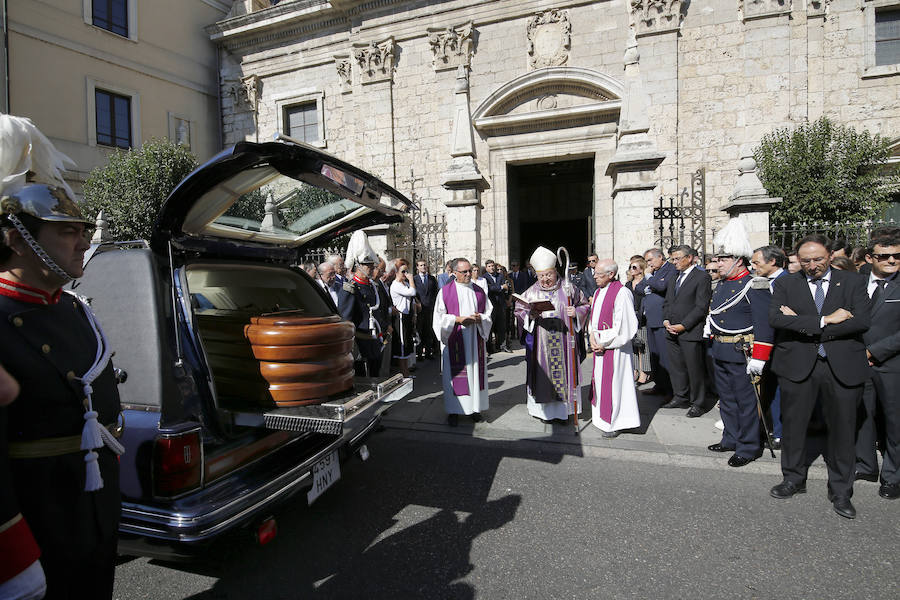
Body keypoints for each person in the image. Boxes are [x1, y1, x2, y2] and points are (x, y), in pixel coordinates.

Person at [0, 114, 124, 598]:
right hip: (38, 518)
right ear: (16, 240)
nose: (84, 239)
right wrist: (11, 554)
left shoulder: (73, 308)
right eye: (66, 231)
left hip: (92, 507)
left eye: (81, 228)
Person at [768, 234, 871, 520]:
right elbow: (776, 319)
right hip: (798, 365)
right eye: (805, 261)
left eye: (818, 259)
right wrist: (825, 320)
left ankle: (840, 490)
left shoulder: (852, 282)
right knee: (793, 426)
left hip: (840, 365)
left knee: (842, 429)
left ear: (830, 256)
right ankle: (793, 479)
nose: (812, 265)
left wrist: (799, 322)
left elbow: (862, 321)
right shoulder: (787, 283)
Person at [705, 220, 775, 467]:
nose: (718, 263)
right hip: (721, 349)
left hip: (743, 351)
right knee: (727, 399)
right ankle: (731, 438)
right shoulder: (723, 284)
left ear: (738, 260)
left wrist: (760, 358)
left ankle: (748, 446)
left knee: (746, 402)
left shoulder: (754, 284)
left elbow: (764, 325)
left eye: (723, 259)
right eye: (718, 259)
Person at [514, 246, 590, 425]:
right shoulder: (531, 292)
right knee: (543, 378)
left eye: (549, 274)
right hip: (541, 343)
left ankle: (564, 413)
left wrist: (576, 312)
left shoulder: (569, 289)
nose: (545, 279)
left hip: (563, 340)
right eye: (541, 276)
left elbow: (585, 305)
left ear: (556, 272)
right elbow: (519, 311)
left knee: (563, 375)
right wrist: (530, 315)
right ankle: (545, 414)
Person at [855, 235, 900, 500]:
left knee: (895, 423)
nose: (892, 260)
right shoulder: (856, 283)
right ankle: (865, 465)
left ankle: (893, 476)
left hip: (892, 364)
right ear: (870, 258)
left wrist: (874, 351)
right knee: (862, 416)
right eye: (884, 256)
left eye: (896, 255)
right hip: (858, 363)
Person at [433, 258, 492, 426]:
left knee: (474, 375)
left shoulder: (479, 291)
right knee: (456, 376)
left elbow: (488, 313)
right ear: (455, 273)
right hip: (455, 340)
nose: (468, 274)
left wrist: (480, 318)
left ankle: (475, 409)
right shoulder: (445, 292)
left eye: (470, 271)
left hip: (475, 340)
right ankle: (454, 411)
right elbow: (438, 319)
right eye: (464, 272)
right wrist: (458, 320)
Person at [588, 260, 640, 437]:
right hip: (599, 345)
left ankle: (617, 421)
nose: (594, 277)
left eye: (599, 274)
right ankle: (603, 418)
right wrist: (592, 337)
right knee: (602, 383)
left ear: (611, 274)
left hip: (616, 349)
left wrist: (604, 343)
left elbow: (626, 326)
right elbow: (593, 320)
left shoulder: (622, 293)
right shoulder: (597, 292)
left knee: (616, 385)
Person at [662, 245, 712, 416]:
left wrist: (684, 325)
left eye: (677, 258)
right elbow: (668, 301)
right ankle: (680, 396)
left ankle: (698, 401)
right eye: (672, 259)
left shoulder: (701, 277)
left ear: (689, 258)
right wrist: (666, 319)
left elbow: (701, 306)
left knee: (694, 368)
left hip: (689, 331)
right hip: (671, 329)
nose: (674, 262)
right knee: (677, 367)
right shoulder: (674, 277)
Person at [750, 245, 789, 448]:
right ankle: (770, 429)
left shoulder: (789, 281)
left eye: (757, 262)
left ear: (772, 261)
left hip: (786, 346)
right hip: (769, 345)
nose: (753, 266)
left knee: (781, 392)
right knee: (769, 389)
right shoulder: (761, 283)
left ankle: (781, 433)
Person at [337, 231, 385, 377]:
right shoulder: (350, 288)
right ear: (359, 266)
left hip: (374, 338)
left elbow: (379, 310)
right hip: (360, 340)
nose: (371, 268)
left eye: (371, 265)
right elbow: (346, 318)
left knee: (375, 372)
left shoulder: (373, 286)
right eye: (368, 265)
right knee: (361, 378)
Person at [633, 248, 676, 399]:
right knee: (654, 355)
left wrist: (650, 279)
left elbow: (662, 287)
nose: (648, 264)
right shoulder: (654, 273)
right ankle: (659, 384)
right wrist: (650, 285)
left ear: (660, 257)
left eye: (650, 260)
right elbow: (638, 288)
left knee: (665, 356)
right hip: (649, 319)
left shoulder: (669, 269)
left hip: (661, 319)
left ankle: (670, 390)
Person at [625, 256, 650, 385]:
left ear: (641, 269)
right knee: (633, 344)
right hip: (630, 316)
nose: (631, 269)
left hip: (642, 317)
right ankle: (635, 369)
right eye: (630, 267)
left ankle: (644, 371)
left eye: (634, 267)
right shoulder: (628, 284)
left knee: (643, 344)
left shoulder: (645, 282)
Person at [390, 259, 417, 377]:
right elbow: (412, 292)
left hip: (406, 315)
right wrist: (411, 279)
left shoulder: (404, 284)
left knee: (406, 344)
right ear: (396, 272)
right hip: (399, 316)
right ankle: (403, 373)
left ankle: (406, 371)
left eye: (407, 271)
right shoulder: (395, 285)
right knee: (402, 346)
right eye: (403, 271)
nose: (405, 274)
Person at [414, 260, 438, 360]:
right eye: (421, 265)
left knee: (429, 331)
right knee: (419, 331)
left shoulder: (432, 279)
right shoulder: (414, 279)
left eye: (424, 265)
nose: (423, 267)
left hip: (430, 308)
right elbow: (413, 294)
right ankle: (419, 354)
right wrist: (417, 303)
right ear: (417, 267)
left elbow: (435, 292)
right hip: (419, 309)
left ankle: (428, 352)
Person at [483, 259, 510, 353]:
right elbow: (489, 289)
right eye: (489, 266)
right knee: (490, 327)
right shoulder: (484, 278)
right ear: (486, 268)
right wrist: (501, 287)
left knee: (502, 326)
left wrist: (500, 288)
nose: (492, 268)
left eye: (493, 266)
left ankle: (503, 346)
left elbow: (506, 287)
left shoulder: (500, 276)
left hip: (500, 304)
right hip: (491, 305)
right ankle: (489, 348)